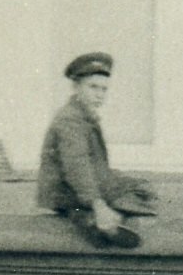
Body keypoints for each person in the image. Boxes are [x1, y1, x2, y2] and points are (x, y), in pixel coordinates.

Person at [37, 52, 158, 249]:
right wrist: (98, 204)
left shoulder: (83, 115)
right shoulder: (70, 120)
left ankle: (98, 220)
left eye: (104, 89)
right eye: (93, 87)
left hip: (79, 187)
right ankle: (96, 219)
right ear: (76, 87)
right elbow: (76, 165)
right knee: (136, 194)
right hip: (66, 190)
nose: (99, 94)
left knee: (140, 188)